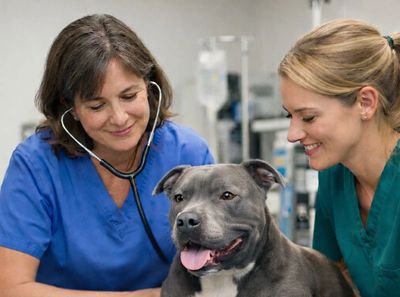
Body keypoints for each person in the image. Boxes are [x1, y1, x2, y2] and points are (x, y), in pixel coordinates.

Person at [0, 14, 214, 297]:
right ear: (71, 107)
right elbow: (11, 288)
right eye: (97, 105)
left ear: (149, 86)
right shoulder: (36, 165)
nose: (119, 118)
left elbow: (220, 268)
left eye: (129, 96)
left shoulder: (188, 153)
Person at [278, 19, 400, 297]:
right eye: (290, 115)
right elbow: (328, 277)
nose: (292, 134)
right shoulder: (335, 175)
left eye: (308, 117)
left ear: (365, 103)